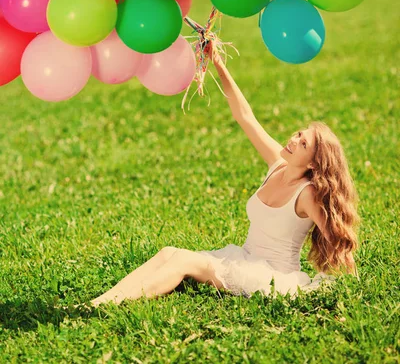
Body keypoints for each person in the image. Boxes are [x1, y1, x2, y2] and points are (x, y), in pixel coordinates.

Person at [91, 42, 360, 306]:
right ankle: (101, 300)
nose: (293, 140)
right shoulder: (278, 165)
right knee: (168, 253)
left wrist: (349, 278)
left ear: (313, 164)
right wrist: (218, 64)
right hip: (245, 259)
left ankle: (108, 306)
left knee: (185, 261)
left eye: (303, 145)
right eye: (299, 134)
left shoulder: (307, 194)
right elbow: (245, 117)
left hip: (270, 276)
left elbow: (336, 235)